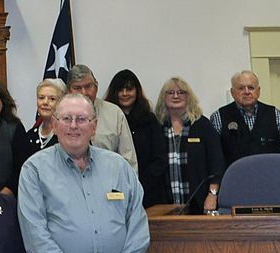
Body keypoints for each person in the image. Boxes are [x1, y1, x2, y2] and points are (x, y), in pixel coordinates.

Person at [18, 94, 149, 253]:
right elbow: (35, 238)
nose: (73, 126)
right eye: (66, 119)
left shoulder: (119, 167)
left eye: (81, 119)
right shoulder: (34, 170)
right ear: (55, 125)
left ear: (93, 126)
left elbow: (138, 228)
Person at [148, 77, 225, 213]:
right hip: (164, 205)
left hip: (199, 203)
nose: (176, 96)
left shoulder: (202, 125)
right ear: (163, 97)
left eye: (181, 92)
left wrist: (212, 195)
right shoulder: (156, 127)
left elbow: (216, 163)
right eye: (170, 92)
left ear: (189, 97)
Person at [208, 70, 280, 167]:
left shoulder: (275, 114)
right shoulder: (219, 117)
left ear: (258, 91)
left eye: (251, 88)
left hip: (270, 177)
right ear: (232, 92)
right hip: (234, 179)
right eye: (241, 88)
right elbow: (214, 156)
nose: (246, 92)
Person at [104, 69, 161, 207]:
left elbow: (159, 158)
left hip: (148, 190)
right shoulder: (107, 120)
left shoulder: (149, 120)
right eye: (120, 89)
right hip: (113, 190)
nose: (124, 93)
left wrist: (140, 182)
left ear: (137, 91)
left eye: (129, 89)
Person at [68, 64, 139, 171]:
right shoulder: (61, 117)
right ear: (68, 90)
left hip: (110, 183)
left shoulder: (114, 114)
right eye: (77, 88)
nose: (84, 93)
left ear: (96, 87)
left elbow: (128, 160)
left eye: (88, 86)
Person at [10, 78, 66, 192]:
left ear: (62, 102)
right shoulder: (30, 135)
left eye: (52, 99)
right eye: (41, 98)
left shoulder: (68, 135)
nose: (45, 102)